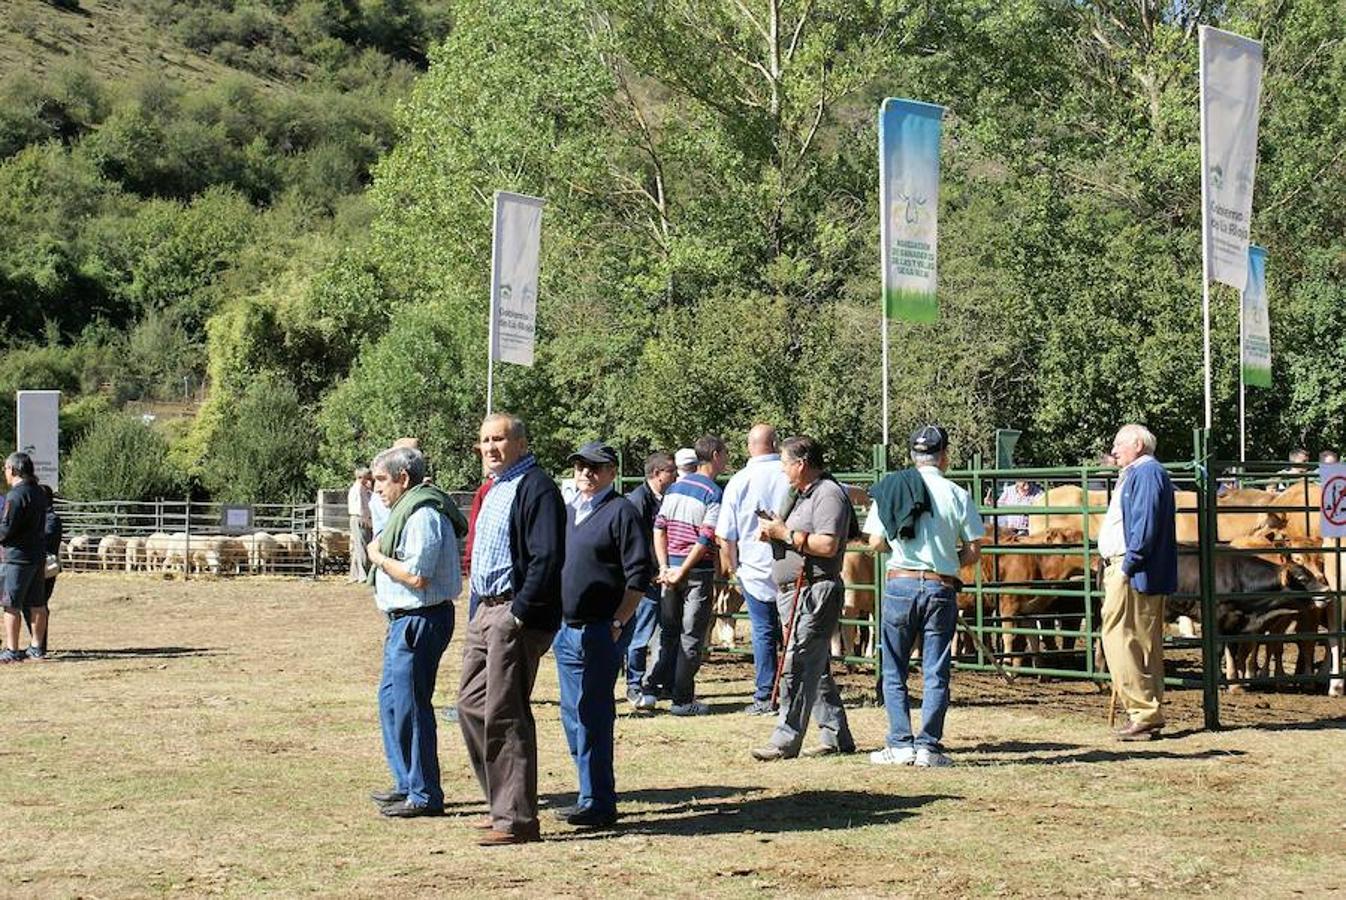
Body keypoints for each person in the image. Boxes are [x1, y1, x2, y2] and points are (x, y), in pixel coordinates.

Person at [458, 412, 564, 846]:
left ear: (520, 442)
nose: (490, 448)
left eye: (498, 439)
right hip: (485, 610)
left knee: (506, 712)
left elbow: (547, 557)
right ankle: (501, 803)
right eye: (484, 440)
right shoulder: (495, 488)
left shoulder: (535, 487)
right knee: (470, 705)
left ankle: (517, 820)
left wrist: (519, 613)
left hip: (514, 614)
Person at [865, 426, 984, 768]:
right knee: (935, 668)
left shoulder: (892, 488)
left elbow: (874, 542)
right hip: (940, 586)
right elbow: (974, 549)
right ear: (944, 455)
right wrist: (948, 562)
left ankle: (900, 744)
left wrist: (902, 552)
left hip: (900, 583)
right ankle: (929, 747)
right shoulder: (957, 494)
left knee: (894, 667)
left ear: (912, 456)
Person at [553, 441, 651, 828]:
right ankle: (588, 791)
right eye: (580, 467)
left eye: (595, 468)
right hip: (566, 630)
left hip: (598, 630)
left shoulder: (621, 512)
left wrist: (617, 623)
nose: (586, 474)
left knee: (591, 713)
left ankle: (598, 801)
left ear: (612, 472)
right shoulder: (570, 510)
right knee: (570, 714)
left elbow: (639, 575)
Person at [363, 446, 462, 818]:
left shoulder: (423, 514)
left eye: (383, 481)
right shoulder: (406, 510)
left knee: (412, 705)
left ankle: (424, 793)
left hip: (421, 618)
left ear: (403, 478)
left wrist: (378, 558)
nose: (378, 489)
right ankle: (406, 782)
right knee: (392, 701)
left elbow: (418, 576)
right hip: (403, 621)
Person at [750, 435, 857, 761]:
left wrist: (785, 535)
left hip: (814, 591)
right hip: (795, 591)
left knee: (797, 663)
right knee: (815, 665)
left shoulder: (828, 495)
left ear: (801, 463)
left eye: (784, 463)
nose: (782, 471)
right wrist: (775, 533)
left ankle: (784, 740)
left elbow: (827, 545)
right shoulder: (801, 494)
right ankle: (836, 735)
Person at [636, 435, 727, 716]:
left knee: (666, 631)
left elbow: (659, 528)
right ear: (714, 455)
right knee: (691, 635)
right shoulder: (713, 492)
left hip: (671, 569)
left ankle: (649, 690)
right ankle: (682, 699)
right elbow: (705, 538)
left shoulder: (674, 489)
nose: (726, 459)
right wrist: (683, 570)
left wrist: (665, 567)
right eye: (724, 453)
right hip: (695, 571)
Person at [1097, 423, 1177, 742]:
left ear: (1138, 445)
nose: (1114, 450)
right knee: (1141, 641)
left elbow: (1143, 526)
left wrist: (1128, 566)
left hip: (1130, 569)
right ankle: (1148, 712)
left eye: (1119, 444)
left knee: (1120, 637)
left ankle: (1142, 711)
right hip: (1134, 568)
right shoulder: (1144, 474)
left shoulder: (1145, 474)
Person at [716, 424, 791, 715]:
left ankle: (764, 696)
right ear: (775, 444)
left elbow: (726, 534)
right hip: (790, 564)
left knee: (762, 632)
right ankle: (794, 690)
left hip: (753, 567)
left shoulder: (739, 481)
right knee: (792, 630)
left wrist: (734, 567)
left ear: (750, 446)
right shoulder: (788, 475)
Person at [618, 451, 677, 704]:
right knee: (640, 633)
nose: (675, 475)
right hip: (644, 580)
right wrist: (649, 572)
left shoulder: (661, 498)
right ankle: (634, 684)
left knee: (657, 631)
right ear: (657, 474)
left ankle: (654, 681)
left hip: (657, 575)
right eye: (671, 471)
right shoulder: (638, 501)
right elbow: (636, 542)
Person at [0, 453, 50, 665]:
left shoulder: (15, 496)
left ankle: (12, 649)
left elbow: (7, 528)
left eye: (5, 469)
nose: (5, 473)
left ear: (13, 469)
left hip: (17, 558)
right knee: (38, 603)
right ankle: (37, 647)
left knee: (11, 605)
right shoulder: (39, 492)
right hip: (37, 556)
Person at [27, 484, 62, 658]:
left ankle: (40, 644)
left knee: (39, 604)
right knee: (34, 605)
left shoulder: (51, 519)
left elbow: (46, 540)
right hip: (38, 565)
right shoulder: (43, 517)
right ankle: (37, 642)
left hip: (47, 567)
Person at [348, 467, 374, 583]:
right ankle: (363, 575)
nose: (369, 479)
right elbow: (361, 507)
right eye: (366, 477)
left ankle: (354, 575)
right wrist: (366, 519)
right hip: (359, 518)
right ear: (360, 477)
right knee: (362, 546)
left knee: (359, 546)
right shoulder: (358, 489)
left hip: (360, 517)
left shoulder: (363, 489)